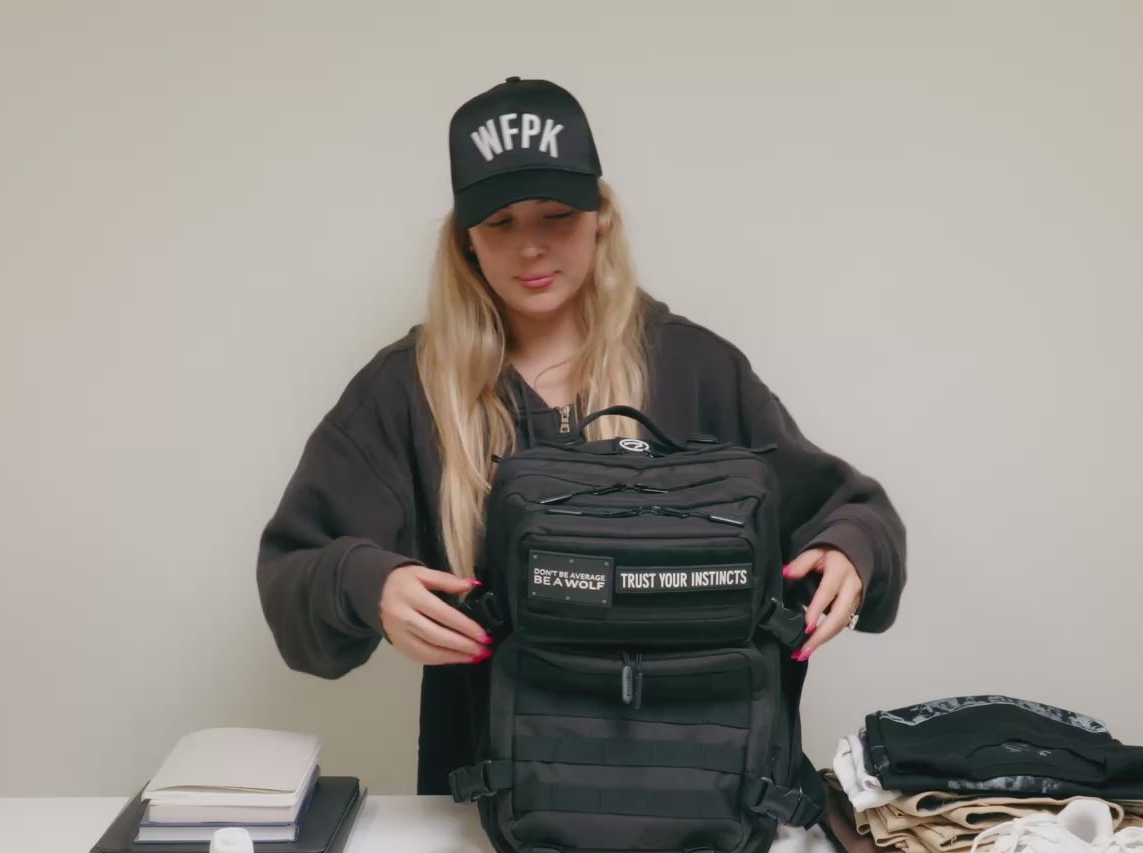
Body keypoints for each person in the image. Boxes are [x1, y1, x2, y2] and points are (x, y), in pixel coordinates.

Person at [257, 77, 909, 795]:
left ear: (602, 218)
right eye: (500, 222)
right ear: (465, 240)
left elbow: (853, 513)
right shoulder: (408, 388)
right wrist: (365, 584)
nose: (530, 247)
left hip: (692, 794)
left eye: (557, 215)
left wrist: (852, 550)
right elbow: (293, 575)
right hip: (488, 807)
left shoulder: (693, 366)